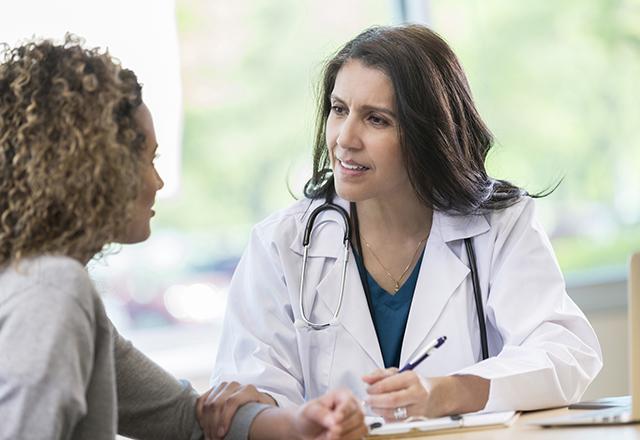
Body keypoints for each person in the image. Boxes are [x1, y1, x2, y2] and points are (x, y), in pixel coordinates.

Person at [212, 24, 603, 420]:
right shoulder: (283, 245)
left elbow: (566, 353)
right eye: (339, 109)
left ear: (428, 133)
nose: (345, 138)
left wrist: (449, 391)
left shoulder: (500, 226)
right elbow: (249, 396)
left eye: (376, 119)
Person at [0, 36, 366, 440]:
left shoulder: (44, 285)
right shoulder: (53, 289)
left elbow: (182, 417)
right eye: (147, 160)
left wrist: (298, 422)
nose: (157, 182)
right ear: (94, 167)